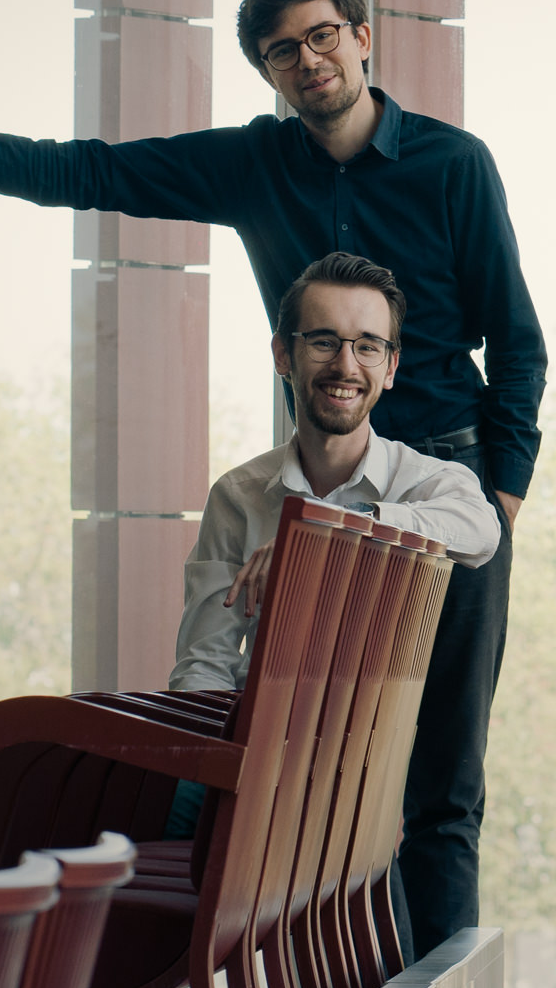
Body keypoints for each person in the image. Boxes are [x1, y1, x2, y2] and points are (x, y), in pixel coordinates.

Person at [0, 0, 544, 965]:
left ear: (361, 36)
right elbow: (93, 169)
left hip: (442, 487)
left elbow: (514, 343)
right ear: (267, 70)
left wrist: (501, 500)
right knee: (313, 773)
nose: (306, 61)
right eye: (281, 51)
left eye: (320, 36)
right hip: (320, 481)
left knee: (441, 782)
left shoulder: (451, 164)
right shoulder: (253, 165)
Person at [169, 255, 501, 789]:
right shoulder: (238, 496)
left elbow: (481, 532)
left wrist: (324, 532)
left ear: (390, 367)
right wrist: (203, 764)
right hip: (247, 762)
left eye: (368, 346)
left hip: (357, 781)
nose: (346, 366)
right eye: (324, 341)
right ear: (283, 354)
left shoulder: (427, 481)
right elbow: (202, 662)